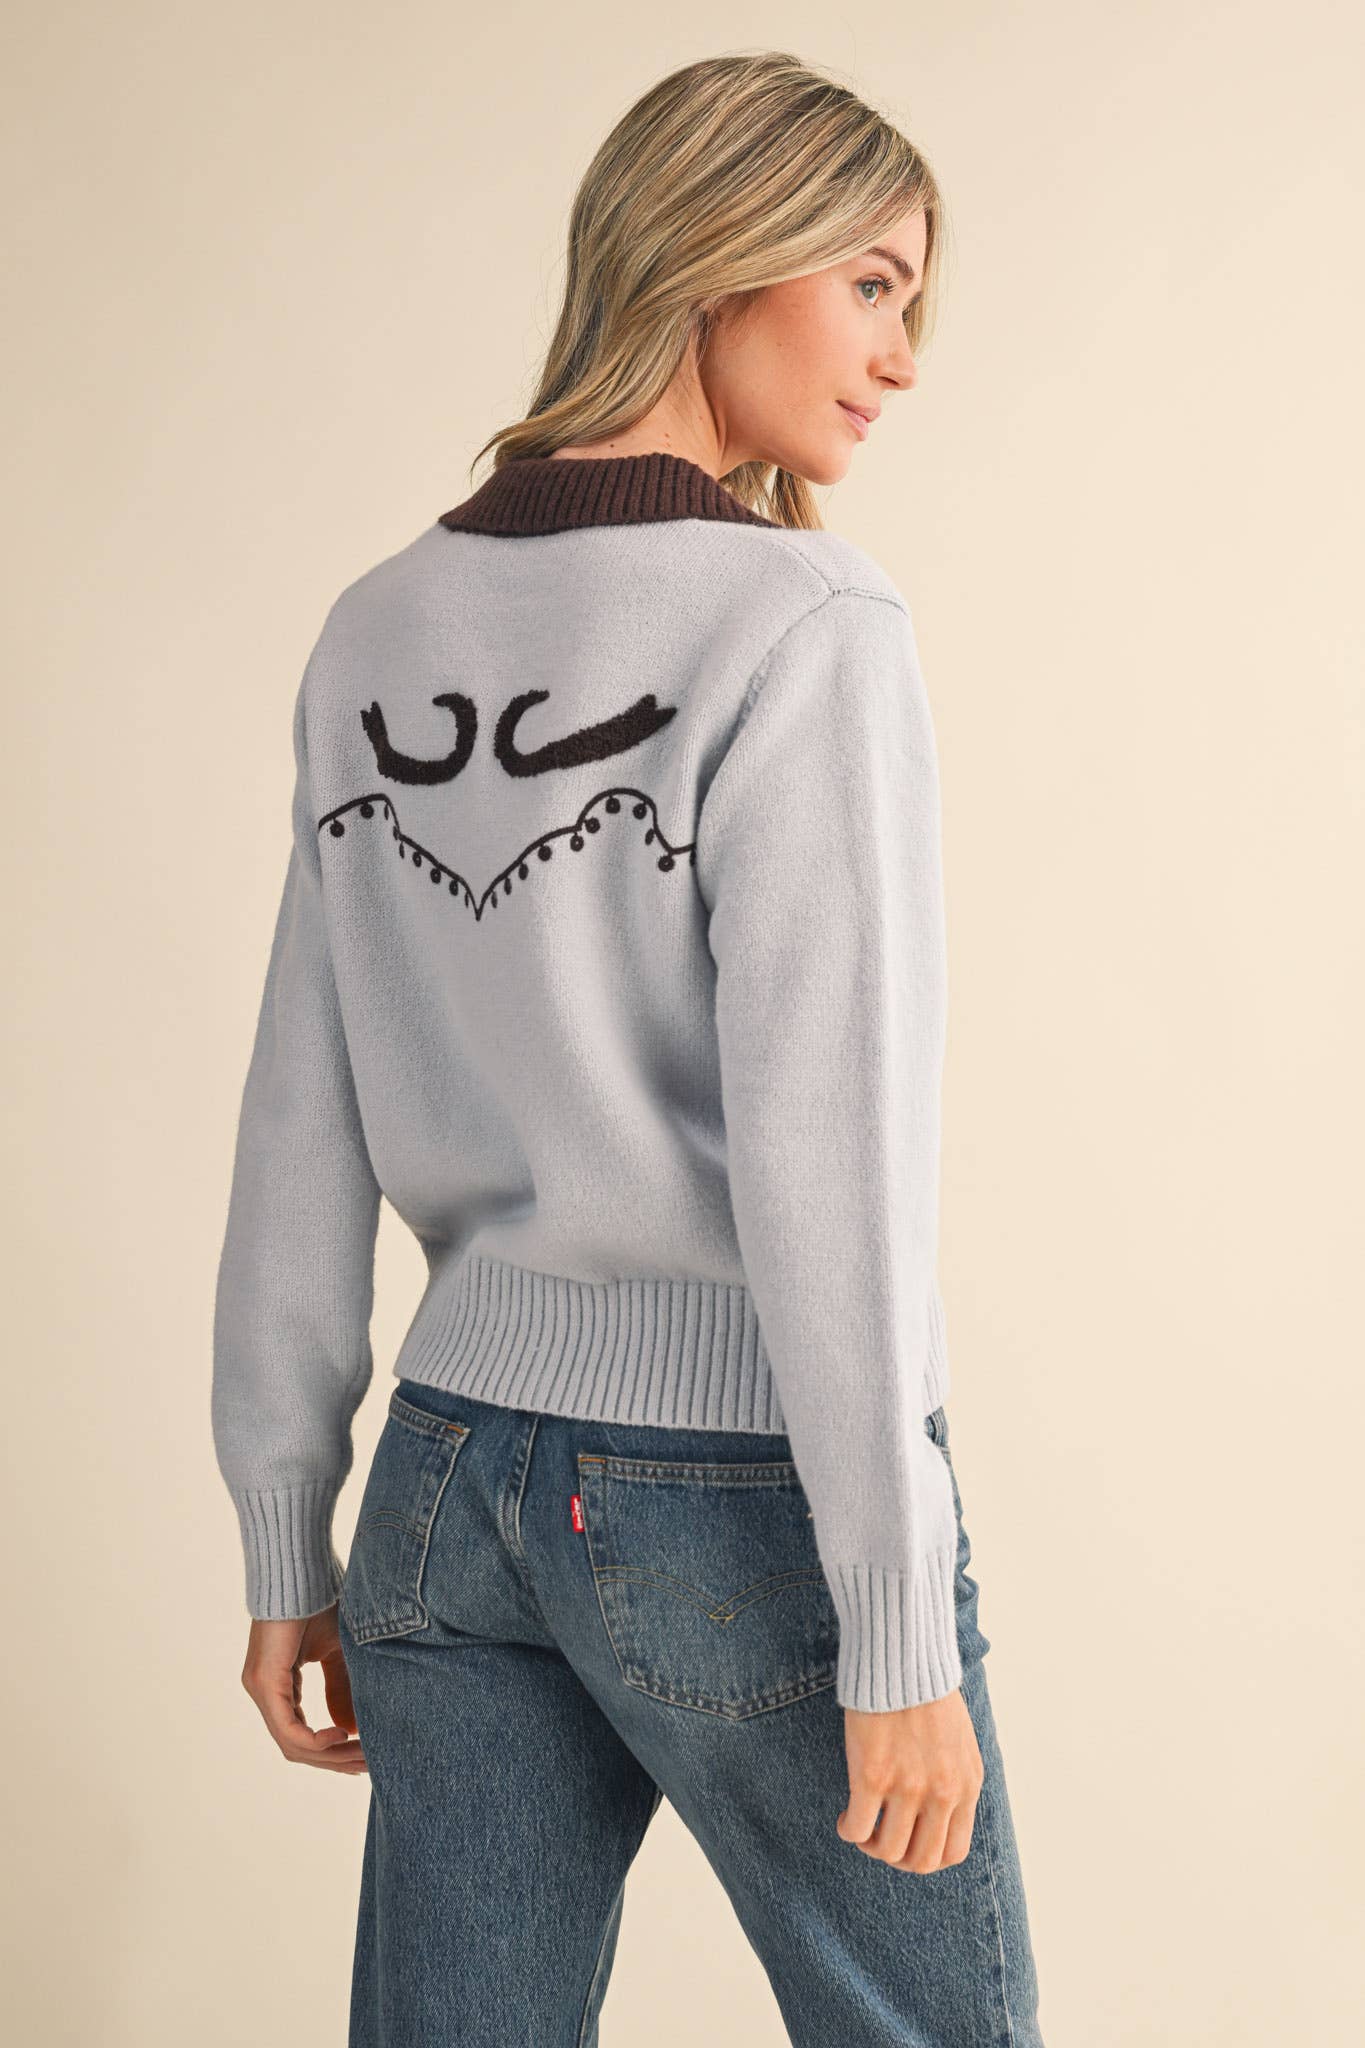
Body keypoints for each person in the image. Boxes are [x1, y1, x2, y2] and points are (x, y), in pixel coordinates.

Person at [211, 48, 1046, 2048]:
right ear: (716, 251)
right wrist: (889, 1615)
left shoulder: (376, 626)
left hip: (440, 1491)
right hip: (738, 1488)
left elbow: (298, 1118)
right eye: (868, 283)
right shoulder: (798, 623)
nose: (899, 358)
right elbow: (832, 1147)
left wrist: (283, 1520)